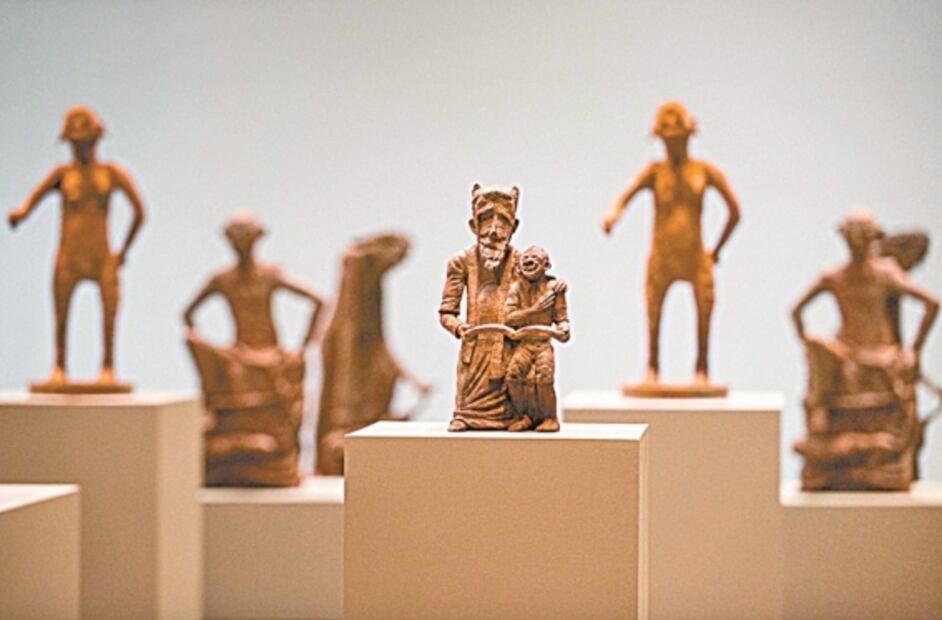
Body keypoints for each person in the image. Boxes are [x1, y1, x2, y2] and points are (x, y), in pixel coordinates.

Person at [791, 209, 939, 490]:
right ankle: (825, 433)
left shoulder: (885, 274)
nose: (857, 243)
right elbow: (796, 312)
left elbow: (931, 304)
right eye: (853, 236)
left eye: (862, 237)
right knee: (820, 353)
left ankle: (876, 457)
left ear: (872, 238)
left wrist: (914, 350)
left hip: (882, 355)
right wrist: (807, 344)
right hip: (848, 353)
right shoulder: (835, 277)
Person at [602, 101, 740, 387]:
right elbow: (624, 197)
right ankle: (652, 368)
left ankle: (702, 369)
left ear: (688, 137)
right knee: (653, 315)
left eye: (676, 140)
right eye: (667, 141)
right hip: (661, 257)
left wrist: (716, 251)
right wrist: (613, 215)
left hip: (695, 258)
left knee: (704, 314)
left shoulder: (704, 172)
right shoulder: (655, 172)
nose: (672, 146)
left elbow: (734, 212)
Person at [183, 213, 325, 486]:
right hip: (238, 354)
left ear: (257, 239)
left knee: (284, 398)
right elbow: (187, 316)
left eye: (247, 238)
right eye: (237, 239)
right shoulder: (222, 279)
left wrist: (303, 346)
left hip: (271, 353)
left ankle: (279, 455)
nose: (242, 245)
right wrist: (211, 348)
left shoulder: (269, 275)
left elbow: (317, 301)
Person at [8, 106, 145, 388]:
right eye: (75, 143)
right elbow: (31, 202)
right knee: (61, 314)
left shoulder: (111, 174)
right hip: (68, 256)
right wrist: (21, 214)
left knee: (108, 315)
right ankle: (59, 366)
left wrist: (123, 252)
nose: (80, 148)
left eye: (84, 142)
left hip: (101, 257)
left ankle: (107, 367)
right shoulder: (62, 175)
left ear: (95, 140)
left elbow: (139, 212)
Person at [439, 184, 521, 431]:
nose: (493, 231)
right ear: (473, 225)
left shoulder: (522, 262)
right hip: (473, 349)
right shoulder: (460, 262)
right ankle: (465, 416)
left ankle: (514, 415)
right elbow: (447, 312)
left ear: (514, 227)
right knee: (468, 398)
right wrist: (459, 328)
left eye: (503, 221)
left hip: (506, 347)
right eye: (485, 219)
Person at [504, 246, 570, 432]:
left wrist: (564, 329)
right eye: (526, 258)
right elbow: (509, 318)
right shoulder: (516, 289)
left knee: (544, 380)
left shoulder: (553, 288)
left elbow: (562, 318)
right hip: (524, 344)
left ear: (545, 265)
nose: (529, 261)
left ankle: (550, 418)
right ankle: (524, 416)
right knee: (512, 377)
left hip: (543, 345)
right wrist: (535, 310)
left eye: (534, 258)